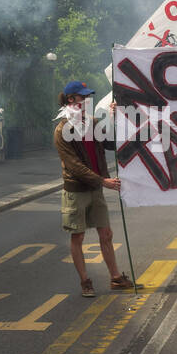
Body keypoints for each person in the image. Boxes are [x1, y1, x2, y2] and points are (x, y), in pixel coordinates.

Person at [54, 81, 136, 297]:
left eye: (88, 97)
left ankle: (116, 278)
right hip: (76, 190)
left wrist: (116, 118)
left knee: (106, 233)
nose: (87, 100)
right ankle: (85, 282)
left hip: (95, 189)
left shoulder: (92, 123)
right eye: (83, 97)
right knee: (78, 237)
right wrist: (103, 181)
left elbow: (112, 143)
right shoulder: (62, 130)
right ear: (71, 99)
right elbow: (74, 166)